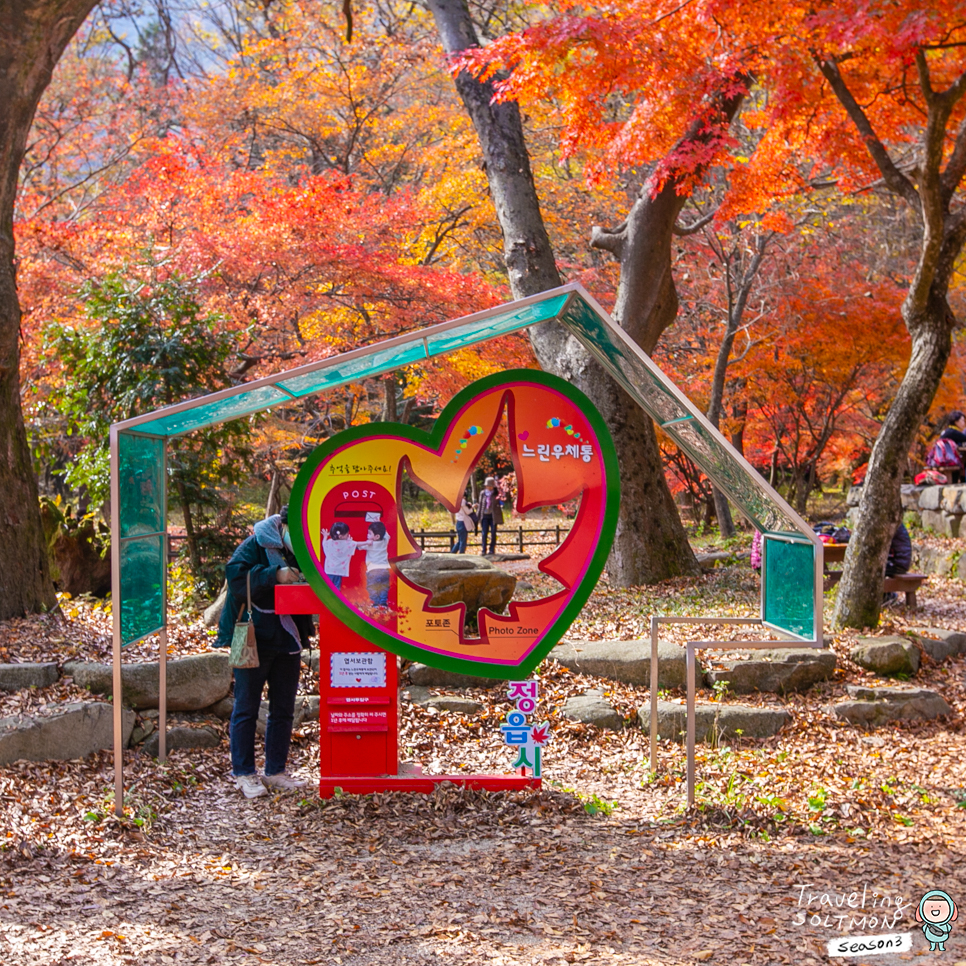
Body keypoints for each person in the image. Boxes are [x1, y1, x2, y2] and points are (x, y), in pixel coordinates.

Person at [217, 505, 313, 799]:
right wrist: (275, 574)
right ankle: (244, 773)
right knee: (246, 706)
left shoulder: (305, 548)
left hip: (288, 637)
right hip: (252, 635)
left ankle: (275, 771)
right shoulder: (256, 542)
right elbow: (235, 577)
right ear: (283, 526)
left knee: (283, 709)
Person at [360, 521, 391, 607]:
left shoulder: (369, 544)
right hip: (384, 570)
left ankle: (376, 603)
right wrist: (380, 522)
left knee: (372, 587)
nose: (367, 535)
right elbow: (386, 534)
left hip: (373, 570)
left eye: (369, 533)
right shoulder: (385, 541)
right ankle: (383, 603)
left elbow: (358, 547)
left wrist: (350, 542)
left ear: (376, 536)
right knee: (384, 587)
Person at [322, 521, 356, 589]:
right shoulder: (345, 544)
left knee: (328, 587)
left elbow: (324, 543)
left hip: (328, 570)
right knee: (336, 588)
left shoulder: (329, 542)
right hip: (338, 571)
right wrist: (349, 542)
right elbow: (352, 546)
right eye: (347, 534)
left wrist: (325, 536)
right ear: (341, 536)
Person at [478, 476, 503, 556]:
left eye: (491, 486)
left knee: (493, 533)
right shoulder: (482, 493)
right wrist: (477, 517)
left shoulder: (496, 493)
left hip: (493, 516)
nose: (489, 487)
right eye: (488, 486)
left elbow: (500, 503)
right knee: (484, 533)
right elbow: (480, 505)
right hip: (484, 516)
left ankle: (492, 549)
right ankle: (483, 549)